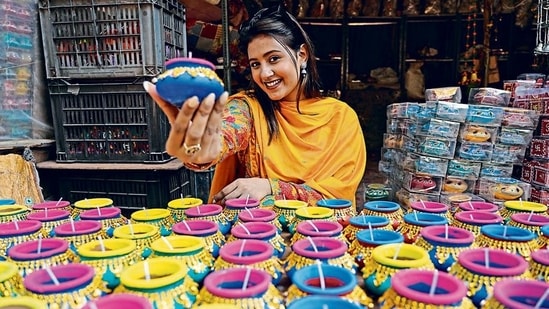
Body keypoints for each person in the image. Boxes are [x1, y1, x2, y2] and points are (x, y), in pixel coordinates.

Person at [143, 4, 367, 209]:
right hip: (254, 242)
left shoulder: (341, 118)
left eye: (274, 59)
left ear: (301, 55)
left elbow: (338, 199)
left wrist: (270, 188)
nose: (265, 73)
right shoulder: (248, 108)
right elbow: (228, 130)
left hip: (323, 242)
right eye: (255, 64)